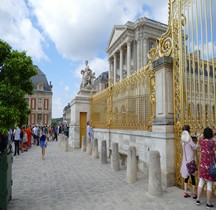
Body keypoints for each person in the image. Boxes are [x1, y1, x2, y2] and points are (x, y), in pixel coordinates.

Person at [196, 127, 216, 208]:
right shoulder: (213, 142)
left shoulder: (202, 141)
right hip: (209, 166)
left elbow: (199, 137)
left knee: (201, 182)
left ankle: (198, 199)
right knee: (209, 184)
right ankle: (208, 203)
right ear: (211, 134)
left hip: (202, 166)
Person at [180, 125, 199, 198]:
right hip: (190, 160)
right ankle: (194, 193)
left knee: (186, 177)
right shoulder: (189, 140)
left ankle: (185, 192)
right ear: (188, 131)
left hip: (185, 160)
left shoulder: (183, 140)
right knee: (193, 176)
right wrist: (198, 142)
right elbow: (195, 147)